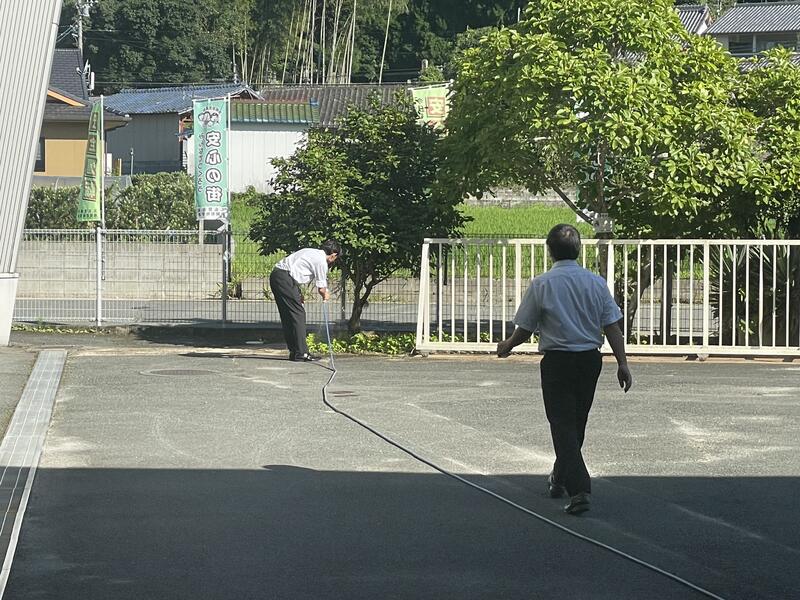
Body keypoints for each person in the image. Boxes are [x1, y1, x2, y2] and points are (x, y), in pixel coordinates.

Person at [496, 224, 632, 515]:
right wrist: (622, 363)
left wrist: (508, 345)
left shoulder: (542, 284)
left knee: (562, 424)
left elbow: (526, 327)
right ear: (579, 249)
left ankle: (580, 489)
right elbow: (612, 326)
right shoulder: (595, 283)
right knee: (576, 423)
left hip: (557, 362)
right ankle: (559, 478)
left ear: (550, 250)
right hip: (589, 361)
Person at [270, 240, 341, 362]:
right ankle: (301, 353)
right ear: (333, 255)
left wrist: (298, 293)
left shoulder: (311, 251)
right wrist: (326, 295)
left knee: (287, 315)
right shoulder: (321, 261)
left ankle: (294, 351)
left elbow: (294, 271)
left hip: (277, 275)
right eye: (335, 258)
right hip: (285, 279)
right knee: (298, 314)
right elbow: (322, 288)